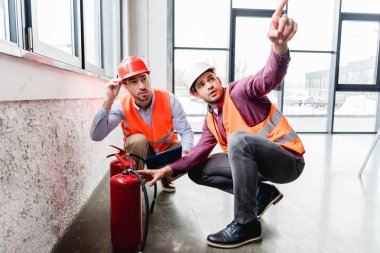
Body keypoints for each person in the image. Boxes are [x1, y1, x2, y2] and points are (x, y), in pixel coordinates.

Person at [137, 0, 305, 249]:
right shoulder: (210, 121)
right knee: (198, 170)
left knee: (238, 139)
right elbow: (195, 156)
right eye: (202, 85)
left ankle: (246, 223)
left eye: (211, 79)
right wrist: (168, 170)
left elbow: (269, 76)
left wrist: (279, 47)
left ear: (218, 78)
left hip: (287, 161)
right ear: (196, 94)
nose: (210, 86)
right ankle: (261, 193)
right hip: (261, 166)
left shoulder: (240, 92)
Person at [90, 56, 194, 192]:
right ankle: (136, 181)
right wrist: (109, 100)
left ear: (149, 79)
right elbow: (96, 136)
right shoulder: (120, 105)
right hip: (140, 153)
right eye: (134, 81)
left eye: (144, 79)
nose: (142, 86)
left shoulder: (169, 99)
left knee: (188, 151)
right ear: (126, 86)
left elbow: (186, 131)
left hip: (164, 151)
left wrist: (186, 154)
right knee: (138, 140)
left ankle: (165, 176)